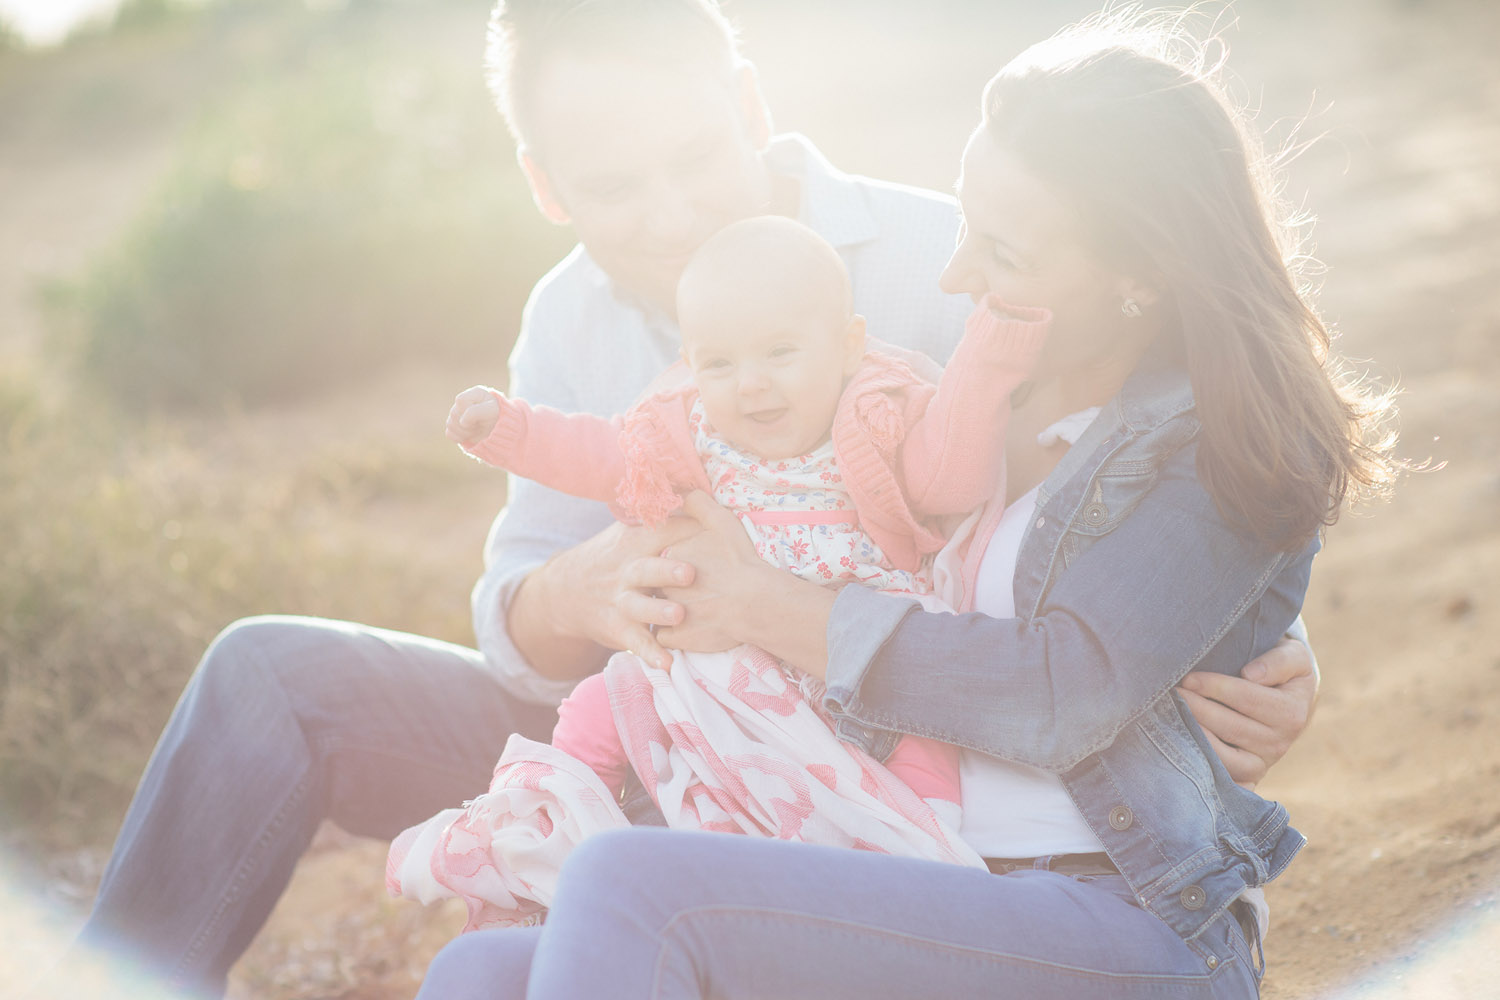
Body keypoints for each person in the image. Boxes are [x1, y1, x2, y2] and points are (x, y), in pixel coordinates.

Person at [61, 2, 1318, 996]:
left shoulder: (953, 262)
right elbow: (520, 634)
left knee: (633, 887)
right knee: (274, 678)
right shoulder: (567, 316)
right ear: (549, 184)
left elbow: (1149, 480)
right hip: (663, 727)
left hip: (888, 763)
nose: (669, 212)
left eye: (693, 156)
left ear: (752, 108)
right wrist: (582, 588)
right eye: (614, 185)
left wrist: (1265, 638)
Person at [412, 10, 1400, 1000]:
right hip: (926, 866)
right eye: (967, 223)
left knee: (634, 888)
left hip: (1123, 916)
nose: (954, 274)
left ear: (1138, 272)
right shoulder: (955, 391)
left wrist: (763, 604)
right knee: (479, 972)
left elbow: (1066, 691)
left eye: (1000, 253)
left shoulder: (1205, 436)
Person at [385, 216, 1049, 928]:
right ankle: (547, 817)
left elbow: (955, 471)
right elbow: (600, 454)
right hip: (717, 657)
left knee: (921, 743)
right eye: (720, 364)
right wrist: (511, 431)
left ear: (849, 345)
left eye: (780, 353)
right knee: (605, 699)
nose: (751, 385)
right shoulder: (689, 434)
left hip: (841, 653)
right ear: (691, 363)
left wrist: (992, 351)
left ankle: (916, 859)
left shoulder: (879, 418)